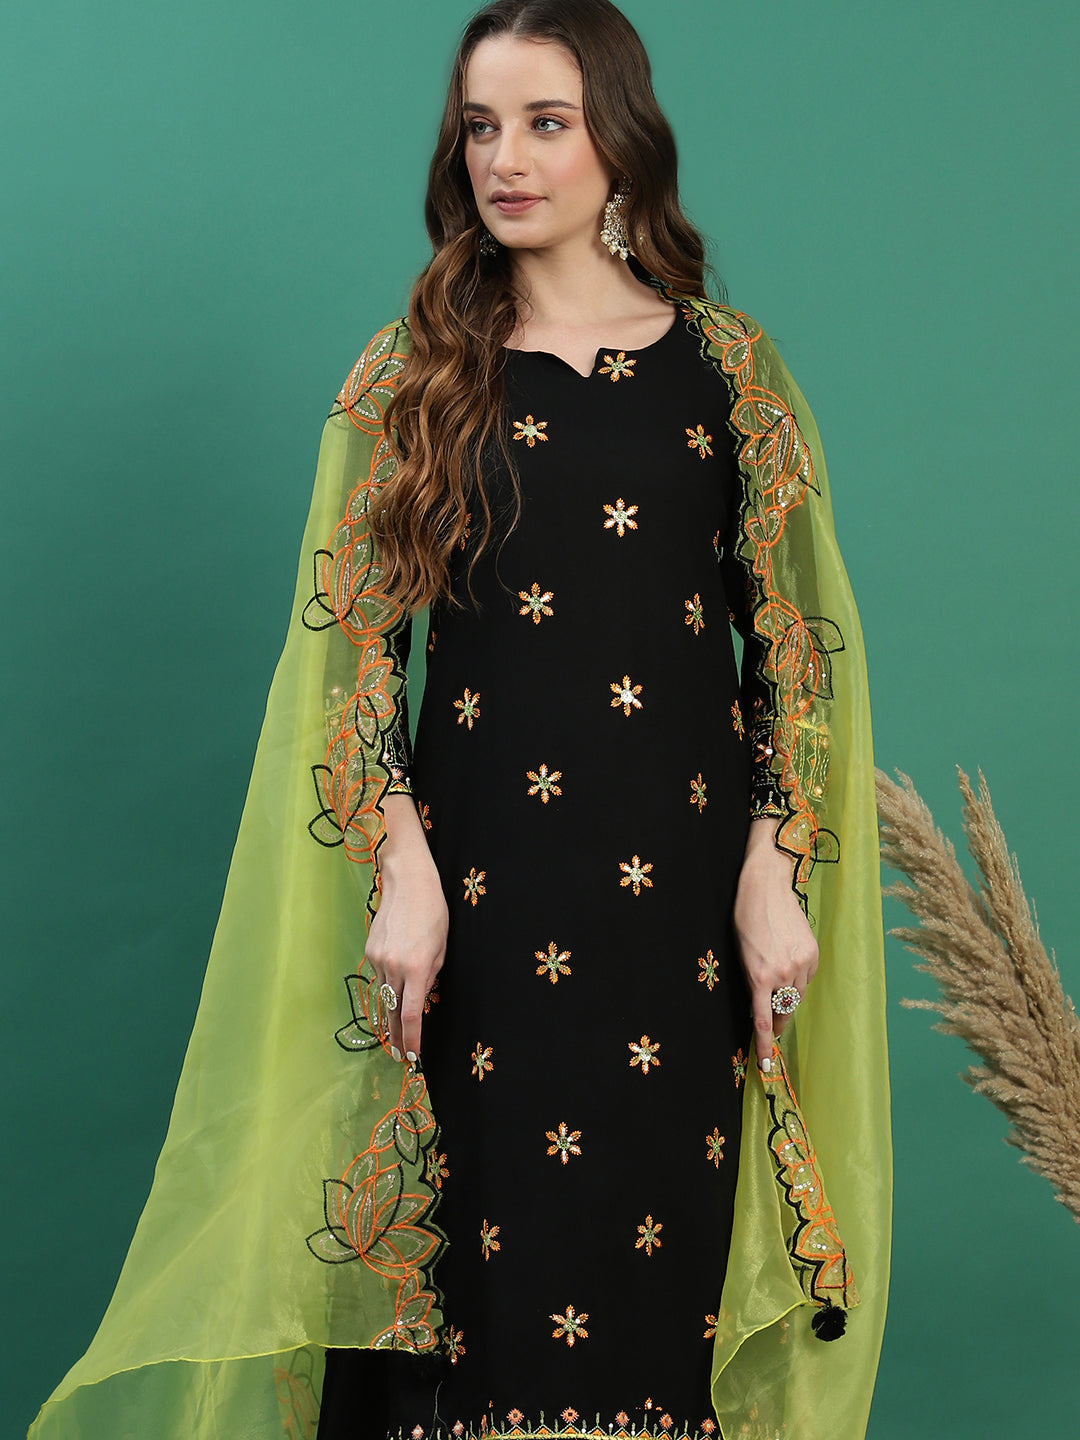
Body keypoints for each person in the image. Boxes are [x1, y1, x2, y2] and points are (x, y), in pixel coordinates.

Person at [28, 3, 890, 1439]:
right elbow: (351, 659)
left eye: (547, 123)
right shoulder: (415, 373)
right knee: (473, 1293)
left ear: (622, 139)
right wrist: (402, 866)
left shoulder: (731, 376)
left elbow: (795, 658)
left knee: (653, 1285)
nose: (508, 160)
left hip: (677, 923)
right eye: (481, 127)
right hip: (476, 908)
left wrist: (772, 865)